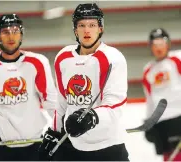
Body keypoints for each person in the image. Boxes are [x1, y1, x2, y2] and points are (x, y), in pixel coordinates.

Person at [38, 3, 129, 161]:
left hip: (108, 145)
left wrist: (91, 117)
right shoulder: (63, 57)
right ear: (75, 30)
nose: (87, 30)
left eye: (92, 25)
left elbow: (115, 105)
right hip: (73, 144)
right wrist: (53, 132)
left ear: (100, 29)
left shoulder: (113, 58)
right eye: (81, 25)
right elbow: (62, 103)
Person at [0, 13, 57, 161]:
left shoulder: (37, 62)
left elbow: (51, 100)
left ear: (21, 35)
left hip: (32, 141)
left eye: (15, 31)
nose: (11, 36)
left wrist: (64, 128)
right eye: (6, 32)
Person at [143, 28, 181, 161]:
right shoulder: (148, 70)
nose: (158, 47)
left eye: (161, 43)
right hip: (162, 122)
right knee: (168, 157)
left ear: (168, 44)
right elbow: (149, 98)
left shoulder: (178, 59)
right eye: (155, 44)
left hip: (179, 117)